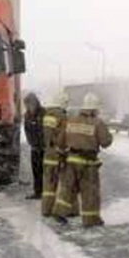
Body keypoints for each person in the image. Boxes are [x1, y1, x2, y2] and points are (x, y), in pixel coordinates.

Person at [53, 92, 113, 227]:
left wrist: (61, 156)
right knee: (90, 192)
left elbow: (60, 141)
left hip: (72, 160)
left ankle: (59, 212)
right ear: (94, 109)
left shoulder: (71, 120)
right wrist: (108, 136)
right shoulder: (97, 123)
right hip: (88, 164)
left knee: (68, 189)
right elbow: (106, 142)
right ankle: (91, 220)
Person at [40, 91, 69, 216]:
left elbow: (46, 135)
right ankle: (65, 211)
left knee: (48, 186)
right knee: (66, 183)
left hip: (48, 154)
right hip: (59, 155)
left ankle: (46, 209)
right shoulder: (62, 116)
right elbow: (64, 136)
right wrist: (65, 150)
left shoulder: (47, 116)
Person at [23, 93, 44, 200]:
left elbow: (45, 130)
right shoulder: (27, 115)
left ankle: (47, 192)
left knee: (45, 171)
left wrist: (43, 143)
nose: (28, 107)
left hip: (44, 148)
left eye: (29, 104)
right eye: (26, 105)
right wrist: (31, 142)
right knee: (36, 171)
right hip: (34, 148)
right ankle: (38, 191)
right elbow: (27, 130)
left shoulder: (43, 113)